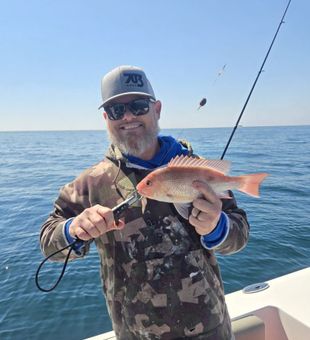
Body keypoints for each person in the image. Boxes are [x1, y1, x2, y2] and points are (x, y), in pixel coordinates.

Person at [40, 65, 250, 339]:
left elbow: (240, 234)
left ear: (157, 109)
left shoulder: (195, 171)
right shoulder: (90, 183)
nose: (128, 116)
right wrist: (73, 229)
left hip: (209, 329)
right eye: (116, 110)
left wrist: (217, 226)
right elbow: (48, 242)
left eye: (138, 106)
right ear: (106, 118)